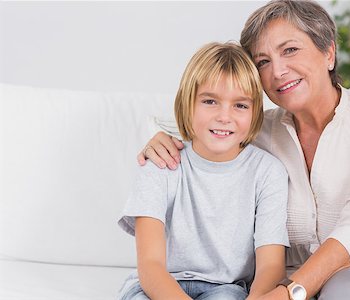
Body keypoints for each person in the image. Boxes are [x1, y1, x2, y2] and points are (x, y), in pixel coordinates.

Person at [138, 1, 350, 300]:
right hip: (278, 287)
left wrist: (288, 293)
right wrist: (161, 140)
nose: (278, 71)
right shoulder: (256, 132)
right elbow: (205, 131)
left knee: (345, 292)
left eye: (290, 50)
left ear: (328, 52)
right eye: (263, 61)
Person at [118, 41, 290, 300]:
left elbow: (270, 266)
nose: (224, 116)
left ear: (255, 113)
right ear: (188, 104)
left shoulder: (267, 173)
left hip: (225, 289)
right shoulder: (160, 163)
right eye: (210, 101)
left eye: (240, 105)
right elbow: (151, 266)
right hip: (158, 286)